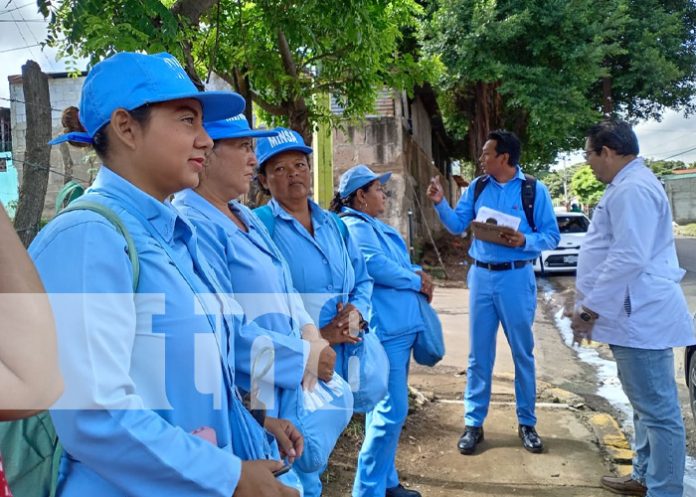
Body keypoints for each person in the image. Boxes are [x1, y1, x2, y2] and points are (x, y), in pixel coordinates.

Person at [30, 51, 300, 497]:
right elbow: (95, 415)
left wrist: (256, 420)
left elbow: (206, 358)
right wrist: (229, 477)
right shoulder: (88, 237)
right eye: (187, 121)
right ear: (126, 127)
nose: (207, 141)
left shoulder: (174, 233)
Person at [172, 119, 353, 497]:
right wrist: (301, 356)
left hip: (287, 378)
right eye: (243, 147)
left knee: (302, 476)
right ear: (207, 153)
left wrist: (309, 335)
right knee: (274, 477)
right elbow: (224, 331)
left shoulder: (244, 215)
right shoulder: (195, 223)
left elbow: (286, 289)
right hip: (251, 389)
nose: (253, 159)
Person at [571, 120, 695, 497]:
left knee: (658, 412)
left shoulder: (633, 189)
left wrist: (589, 310)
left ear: (607, 151)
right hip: (630, 315)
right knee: (644, 406)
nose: (589, 163)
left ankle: (665, 490)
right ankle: (643, 477)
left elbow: (628, 256)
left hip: (640, 316)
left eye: (589, 154)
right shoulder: (627, 186)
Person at [427, 130, 560, 455]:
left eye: (487, 153)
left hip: (516, 278)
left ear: (504, 157)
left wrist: (524, 241)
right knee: (478, 355)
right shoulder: (478, 187)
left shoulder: (533, 190)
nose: (481, 159)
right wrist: (440, 202)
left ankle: (527, 423)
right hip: (482, 278)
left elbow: (551, 235)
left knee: (522, 352)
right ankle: (474, 424)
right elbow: (459, 225)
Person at [332, 164, 431, 497]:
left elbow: (394, 264)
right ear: (360, 196)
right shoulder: (354, 227)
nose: (384, 196)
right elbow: (375, 266)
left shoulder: (369, 225)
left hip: (398, 329)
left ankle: (386, 481)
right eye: (378, 189)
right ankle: (368, 489)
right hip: (385, 331)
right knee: (392, 410)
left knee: (383, 410)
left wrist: (416, 272)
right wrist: (415, 278)